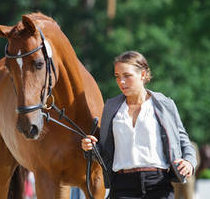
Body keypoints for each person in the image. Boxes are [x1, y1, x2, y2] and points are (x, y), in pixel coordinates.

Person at [81, 51, 197, 199]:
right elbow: (106, 153)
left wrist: (189, 162)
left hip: (159, 184)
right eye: (117, 76)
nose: (121, 82)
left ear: (143, 75)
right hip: (122, 187)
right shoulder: (111, 108)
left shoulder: (164, 105)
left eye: (127, 76)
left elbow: (184, 142)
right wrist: (90, 148)